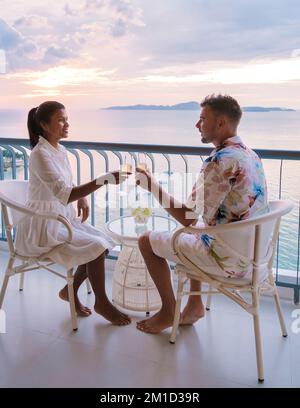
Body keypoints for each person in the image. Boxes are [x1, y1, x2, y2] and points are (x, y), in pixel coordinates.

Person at [135, 94, 268, 334]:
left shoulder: (220, 161)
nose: (197, 125)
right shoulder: (250, 154)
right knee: (196, 234)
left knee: (146, 240)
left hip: (228, 260)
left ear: (221, 123)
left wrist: (151, 185)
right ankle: (195, 305)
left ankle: (168, 310)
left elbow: (188, 217)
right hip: (256, 257)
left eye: (202, 119)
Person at [15, 101, 131, 325]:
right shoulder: (39, 154)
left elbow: (66, 183)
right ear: (44, 125)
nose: (67, 124)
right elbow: (64, 193)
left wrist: (83, 198)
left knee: (104, 242)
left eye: (66, 119)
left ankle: (69, 291)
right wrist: (104, 179)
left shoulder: (59, 150)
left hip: (61, 218)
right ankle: (102, 302)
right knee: (96, 248)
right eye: (61, 120)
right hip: (42, 226)